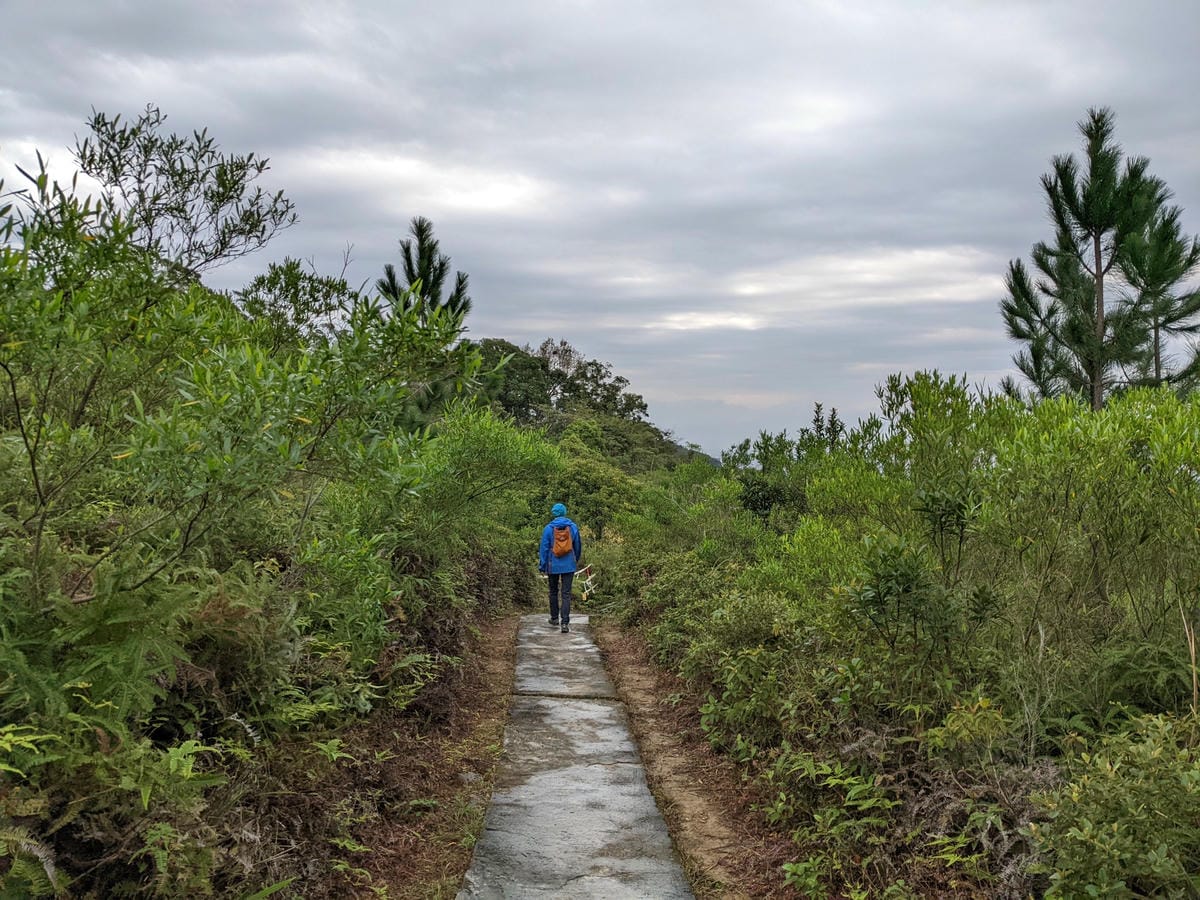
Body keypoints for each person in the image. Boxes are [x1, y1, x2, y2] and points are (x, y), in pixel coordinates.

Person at [539, 502, 582, 633]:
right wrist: (576, 559)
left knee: (553, 592)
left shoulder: (548, 529)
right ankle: (565, 623)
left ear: (554, 513)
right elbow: (578, 546)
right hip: (569, 565)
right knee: (566, 594)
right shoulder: (573, 527)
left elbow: (544, 548)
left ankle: (554, 618)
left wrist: (542, 565)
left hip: (553, 565)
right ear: (564, 512)